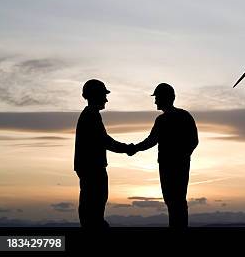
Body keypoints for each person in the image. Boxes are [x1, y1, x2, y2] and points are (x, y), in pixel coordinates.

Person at [130, 83, 198, 228]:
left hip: (171, 165)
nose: (155, 101)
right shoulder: (180, 116)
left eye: (157, 98)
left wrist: (134, 148)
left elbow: (151, 141)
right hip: (173, 164)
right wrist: (135, 148)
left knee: (175, 200)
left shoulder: (166, 119)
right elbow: (193, 141)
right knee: (175, 200)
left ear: (166, 98)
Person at [74, 79, 135, 229]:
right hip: (93, 167)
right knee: (94, 202)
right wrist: (127, 148)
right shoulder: (91, 115)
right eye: (103, 95)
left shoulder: (89, 114)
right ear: (95, 95)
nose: (106, 99)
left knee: (91, 202)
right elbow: (105, 141)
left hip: (89, 167)